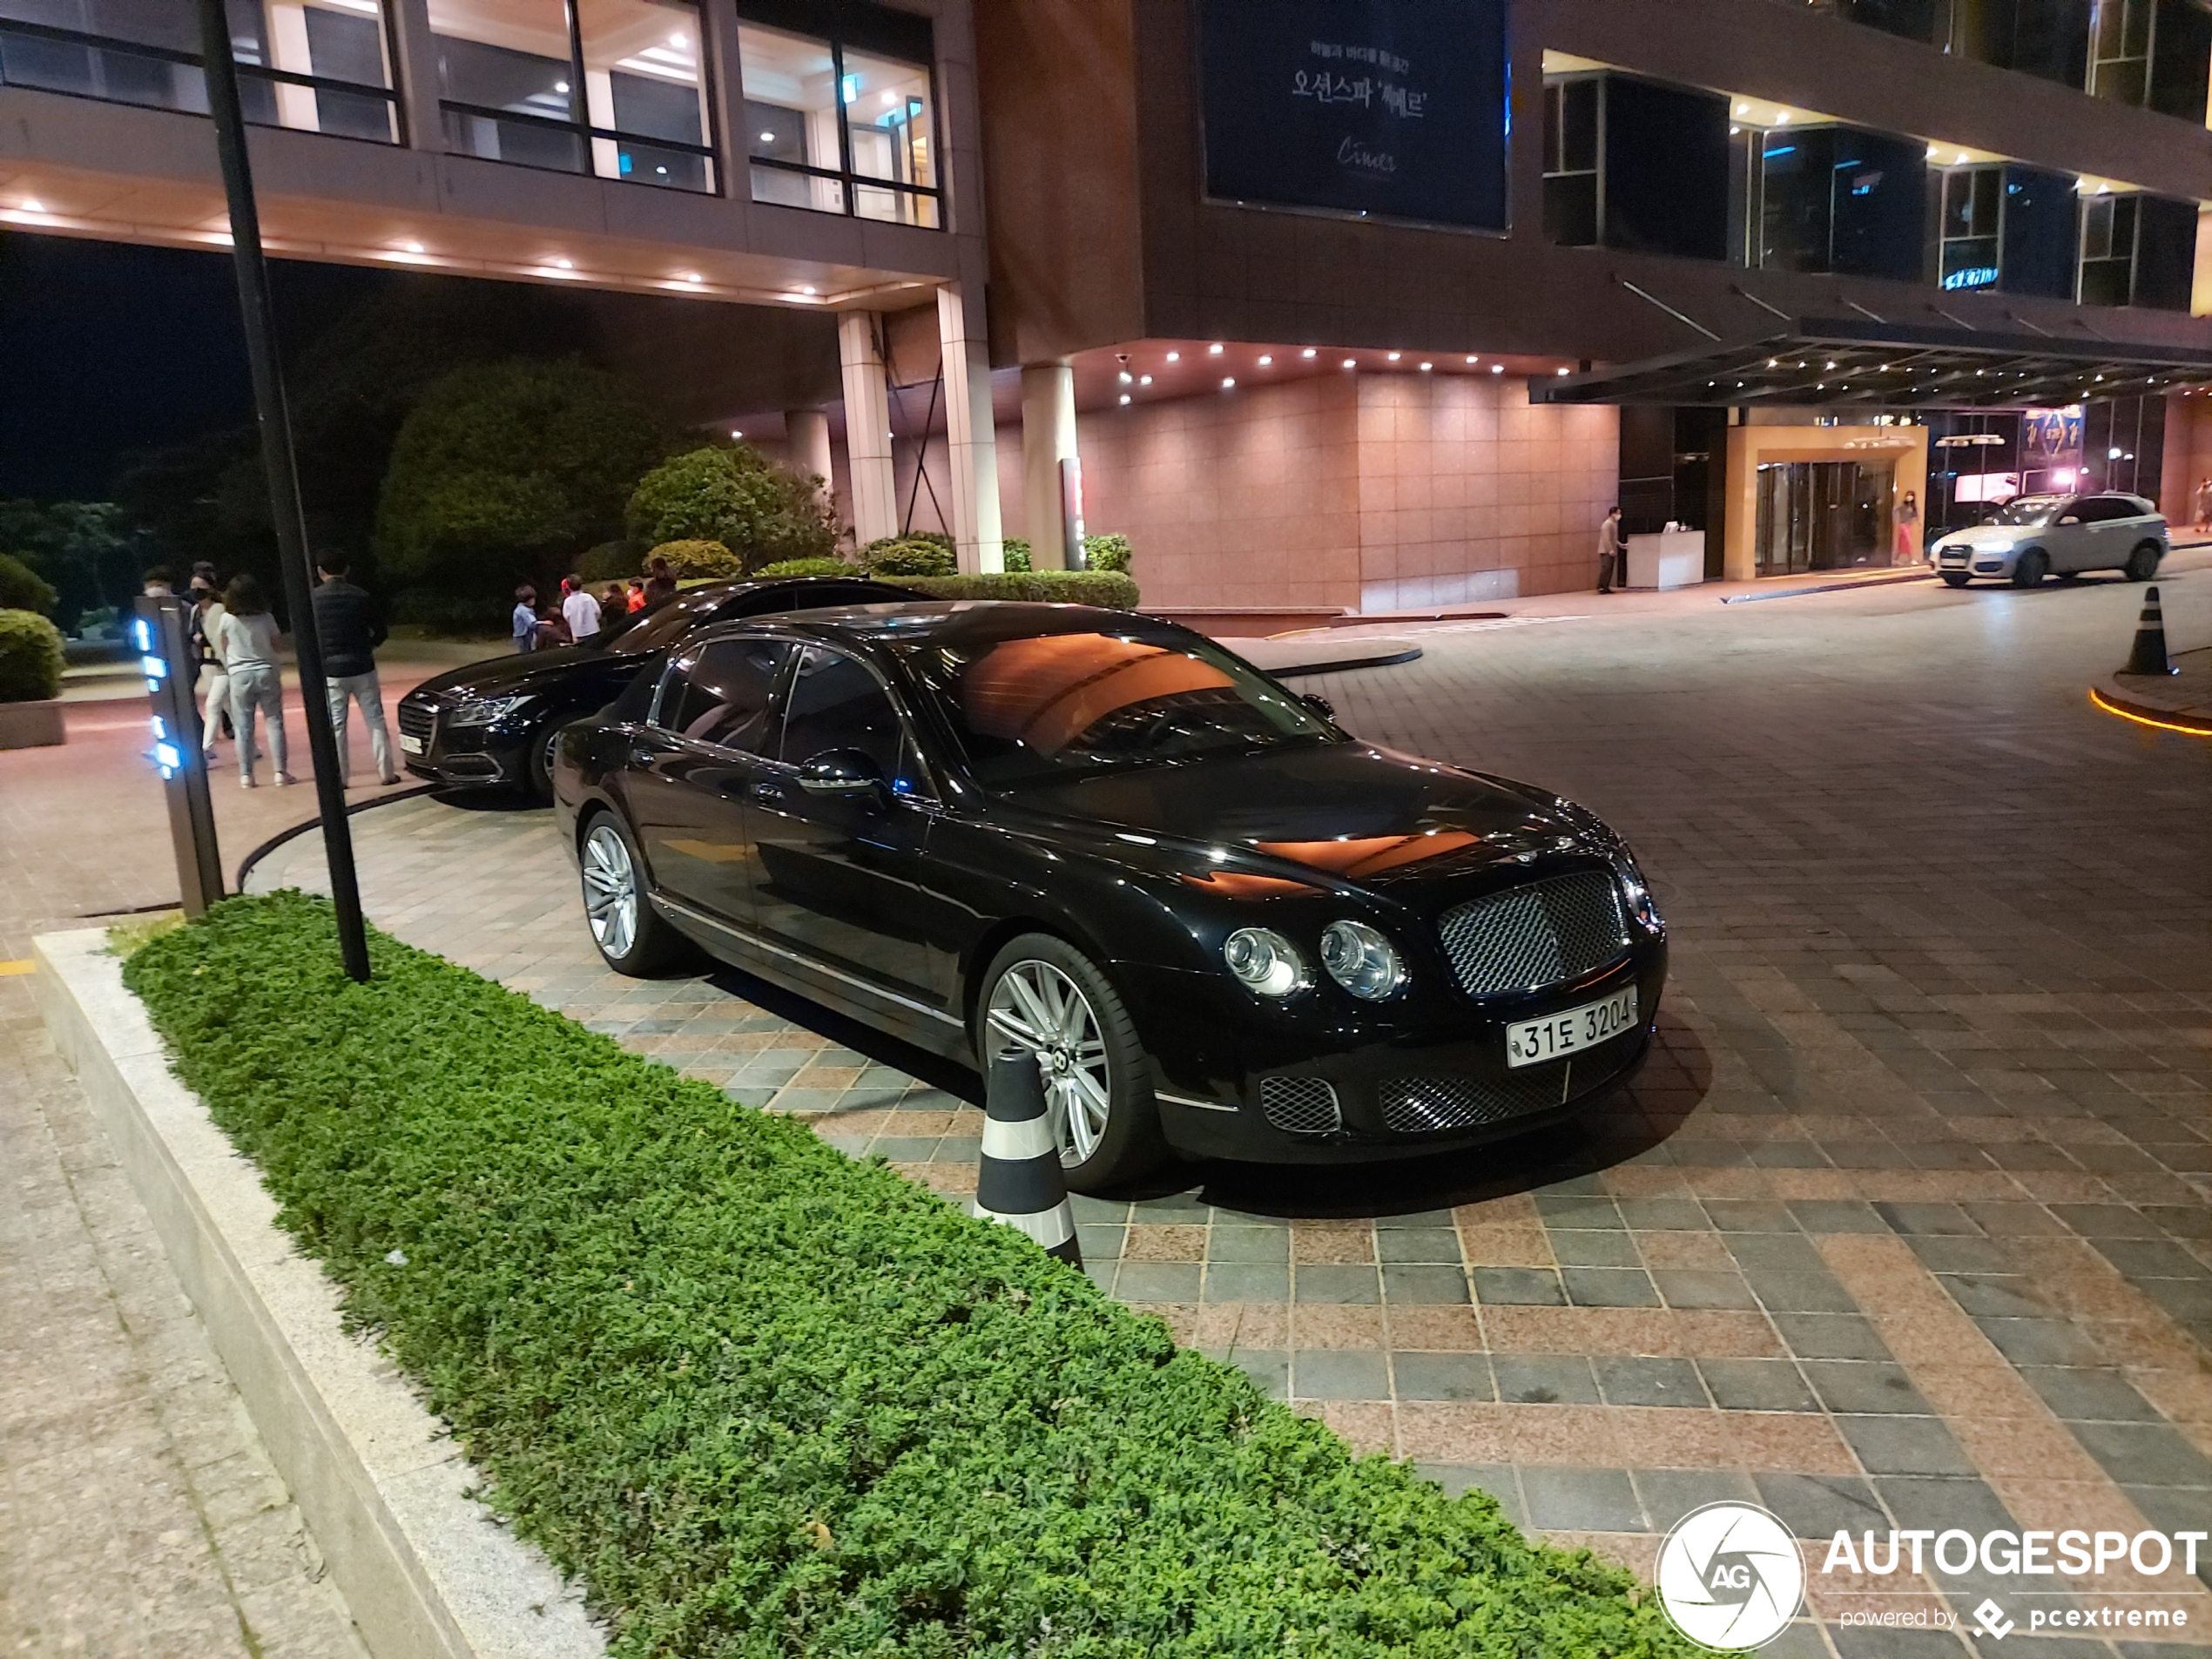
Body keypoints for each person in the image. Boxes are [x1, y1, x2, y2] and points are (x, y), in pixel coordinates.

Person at [311, 553, 398, 787]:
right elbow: (380, 631)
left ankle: (341, 777)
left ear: (320, 571)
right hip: (362, 664)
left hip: (331, 669)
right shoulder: (361, 596)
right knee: (375, 720)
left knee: (337, 725)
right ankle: (386, 772)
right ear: (347, 569)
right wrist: (367, 647)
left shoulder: (314, 599)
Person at [215, 574, 293, 788]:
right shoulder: (266, 618)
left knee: (243, 727)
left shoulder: (227, 619)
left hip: (240, 673)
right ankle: (280, 772)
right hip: (266, 670)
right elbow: (277, 645)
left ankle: (246, 775)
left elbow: (222, 645)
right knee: (274, 722)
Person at [192, 581, 231, 761]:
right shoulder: (195, 611)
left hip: (224, 665)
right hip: (206, 662)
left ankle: (206, 747)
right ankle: (252, 747)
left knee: (213, 703)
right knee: (229, 707)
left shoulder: (220, 610)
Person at [559, 574, 602, 644]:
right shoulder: (588, 597)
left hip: (579, 632)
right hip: (593, 629)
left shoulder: (568, 601)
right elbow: (598, 612)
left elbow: (567, 617)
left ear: (568, 587)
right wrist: (594, 620)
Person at [1596, 506, 1622, 595]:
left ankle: (1606, 587)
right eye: (1618, 513)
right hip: (1606, 551)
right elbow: (1606, 538)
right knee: (1606, 569)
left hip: (1611, 550)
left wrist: (1621, 545)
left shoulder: (1613, 523)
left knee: (1610, 570)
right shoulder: (1607, 524)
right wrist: (1610, 549)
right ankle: (1601, 587)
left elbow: (1613, 538)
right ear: (1613, 514)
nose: (1619, 515)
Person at [1894, 489, 1920, 563]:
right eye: (1908, 495)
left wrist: (1918, 524)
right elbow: (1895, 510)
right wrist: (1896, 520)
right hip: (1902, 524)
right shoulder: (1902, 505)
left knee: (1902, 542)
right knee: (1908, 541)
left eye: (1911, 495)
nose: (1909, 497)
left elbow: (1916, 516)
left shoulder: (1913, 506)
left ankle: (1897, 557)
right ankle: (1911, 558)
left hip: (1909, 525)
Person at [512, 585, 540, 654]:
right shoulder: (525, 611)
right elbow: (531, 623)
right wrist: (543, 623)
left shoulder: (519, 608)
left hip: (519, 635)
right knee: (526, 653)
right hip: (524, 636)